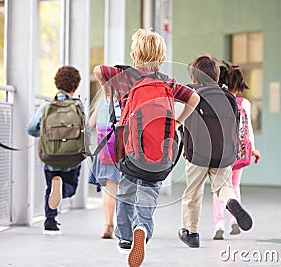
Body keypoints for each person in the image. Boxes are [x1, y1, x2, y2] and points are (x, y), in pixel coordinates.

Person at [93, 28, 200, 266]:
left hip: (129, 150)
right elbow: (195, 98)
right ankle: (142, 227)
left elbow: (98, 70)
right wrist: (177, 123)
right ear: (161, 56)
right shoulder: (168, 82)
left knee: (126, 190)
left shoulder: (125, 76)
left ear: (135, 53)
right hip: (160, 150)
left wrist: (108, 91)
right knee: (149, 191)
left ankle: (124, 239)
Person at [178, 55, 253, 249]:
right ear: (217, 75)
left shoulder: (191, 93)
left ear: (194, 77)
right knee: (223, 186)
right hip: (223, 154)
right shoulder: (227, 96)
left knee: (192, 193)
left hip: (197, 154)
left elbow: (181, 119)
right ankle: (230, 201)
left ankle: (191, 232)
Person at [27, 66, 85, 235]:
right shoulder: (78, 105)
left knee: (50, 188)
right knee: (71, 188)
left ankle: (50, 222)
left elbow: (31, 128)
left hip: (50, 156)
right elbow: (86, 131)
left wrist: (43, 135)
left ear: (56, 84)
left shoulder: (46, 106)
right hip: (72, 157)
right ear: (75, 87)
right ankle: (63, 190)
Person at [211, 61, 261, 239]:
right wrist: (253, 149)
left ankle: (219, 223)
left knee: (218, 188)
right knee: (234, 186)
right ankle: (234, 220)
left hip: (220, 153)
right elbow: (248, 130)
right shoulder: (244, 103)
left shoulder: (216, 100)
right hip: (238, 152)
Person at [88, 91, 121, 239]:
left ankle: (108, 224)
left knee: (110, 190)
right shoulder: (128, 98)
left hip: (107, 151)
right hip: (126, 152)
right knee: (129, 190)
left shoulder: (103, 101)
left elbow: (91, 124)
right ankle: (127, 226)